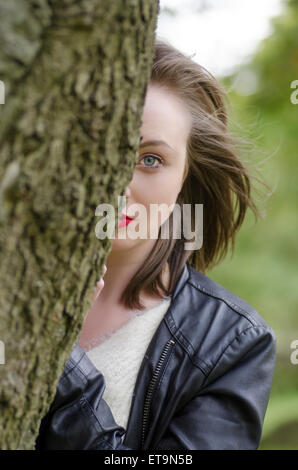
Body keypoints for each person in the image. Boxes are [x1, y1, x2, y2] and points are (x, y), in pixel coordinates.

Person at [35, 38, 276, 450]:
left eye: (150, 160)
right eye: (100, 149)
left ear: (186, 177)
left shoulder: (231, 344)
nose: (118, 185)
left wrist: (59, 355)